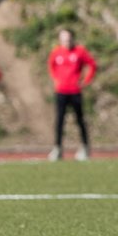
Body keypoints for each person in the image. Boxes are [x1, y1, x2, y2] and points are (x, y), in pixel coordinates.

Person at [47, 28, 97, 160]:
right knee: (59, 121)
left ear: (73, 39)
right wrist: (56, 79)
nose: (66, 42)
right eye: (63, 40)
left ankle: (85, 148)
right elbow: (51, 66)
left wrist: (85, 81)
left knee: (80, 120)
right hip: (61, 92)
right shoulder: (56, 53)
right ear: (60, 40)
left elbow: (92, 65)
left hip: (75, 91)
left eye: (68, 39)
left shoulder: (80, 51)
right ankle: (57, 148)